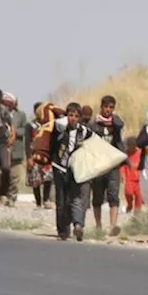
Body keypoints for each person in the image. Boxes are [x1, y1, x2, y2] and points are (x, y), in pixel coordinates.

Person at [48, 102, 93, 242]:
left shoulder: (83, 131)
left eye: (76, 116)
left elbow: (93, 142)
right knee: (61, 200)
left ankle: (78, 225)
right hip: (59, 168)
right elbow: (57, 125)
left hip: (74, 170)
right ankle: (62, 230)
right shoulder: (60, 127)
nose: (73, 118)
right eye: (70, 115)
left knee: (75, 198)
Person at [89, 95, 125, 236]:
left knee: (113, 194)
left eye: (111, 108)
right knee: (97, 196)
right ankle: (98, 225)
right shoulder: (94, 124)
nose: (108, 110)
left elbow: (120, 125)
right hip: (98, 164)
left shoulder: (116, 123)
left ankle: (113, 226)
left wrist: (113, 120)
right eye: (106, 107)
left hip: (113, 164)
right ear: (101, 107)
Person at [26, 102, 55, 209]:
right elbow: (27, 142)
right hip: (34, 155)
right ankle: (38, 202)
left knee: (48, 177)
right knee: (35, 180)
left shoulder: (49, 124)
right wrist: (29, 157)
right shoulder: (30, 125)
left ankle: (46, 199)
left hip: (46, 155)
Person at [122, 141, 144, 214]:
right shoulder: (125, 154)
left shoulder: (141, 152)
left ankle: (137, 213)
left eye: (133, 146)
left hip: (139, 179)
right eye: (130, 146)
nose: (132, 148)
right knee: (128, 193)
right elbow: (122, 166)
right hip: (129, 179)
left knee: (139, 196)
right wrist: (122, 174)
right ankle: (130, 205)